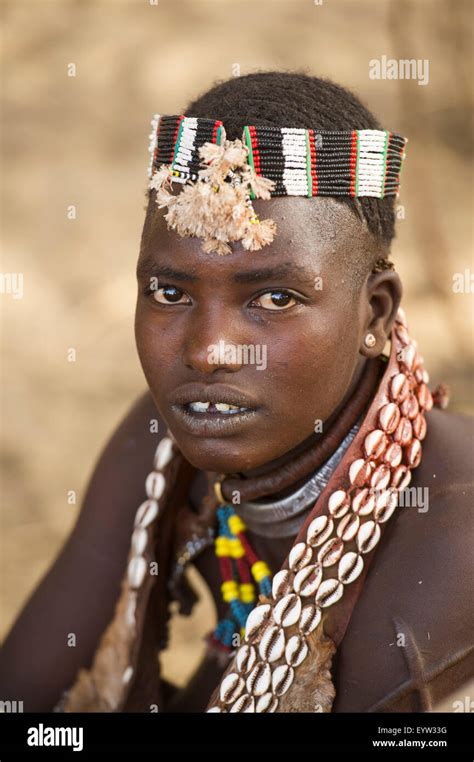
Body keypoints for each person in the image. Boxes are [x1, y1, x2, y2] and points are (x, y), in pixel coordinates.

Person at [1, 71, 472, 714]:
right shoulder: (172, 440)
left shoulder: (451, 538)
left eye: (274, 298)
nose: (208, 351)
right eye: (171, 293)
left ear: (376, 314)